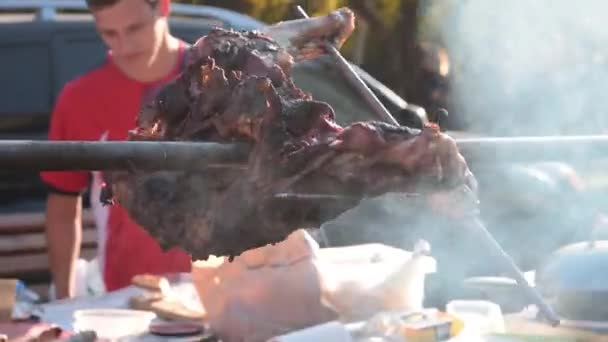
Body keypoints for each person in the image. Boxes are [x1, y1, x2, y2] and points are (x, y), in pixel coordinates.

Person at [40, 0, 191, 299]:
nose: (124, 47)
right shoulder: (79, 100)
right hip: (128, 295)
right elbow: (62, 206)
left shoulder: (219, 79)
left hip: (227, 283)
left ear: (162, 7)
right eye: (109, 34)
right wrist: (63, 297)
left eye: (135, 28)